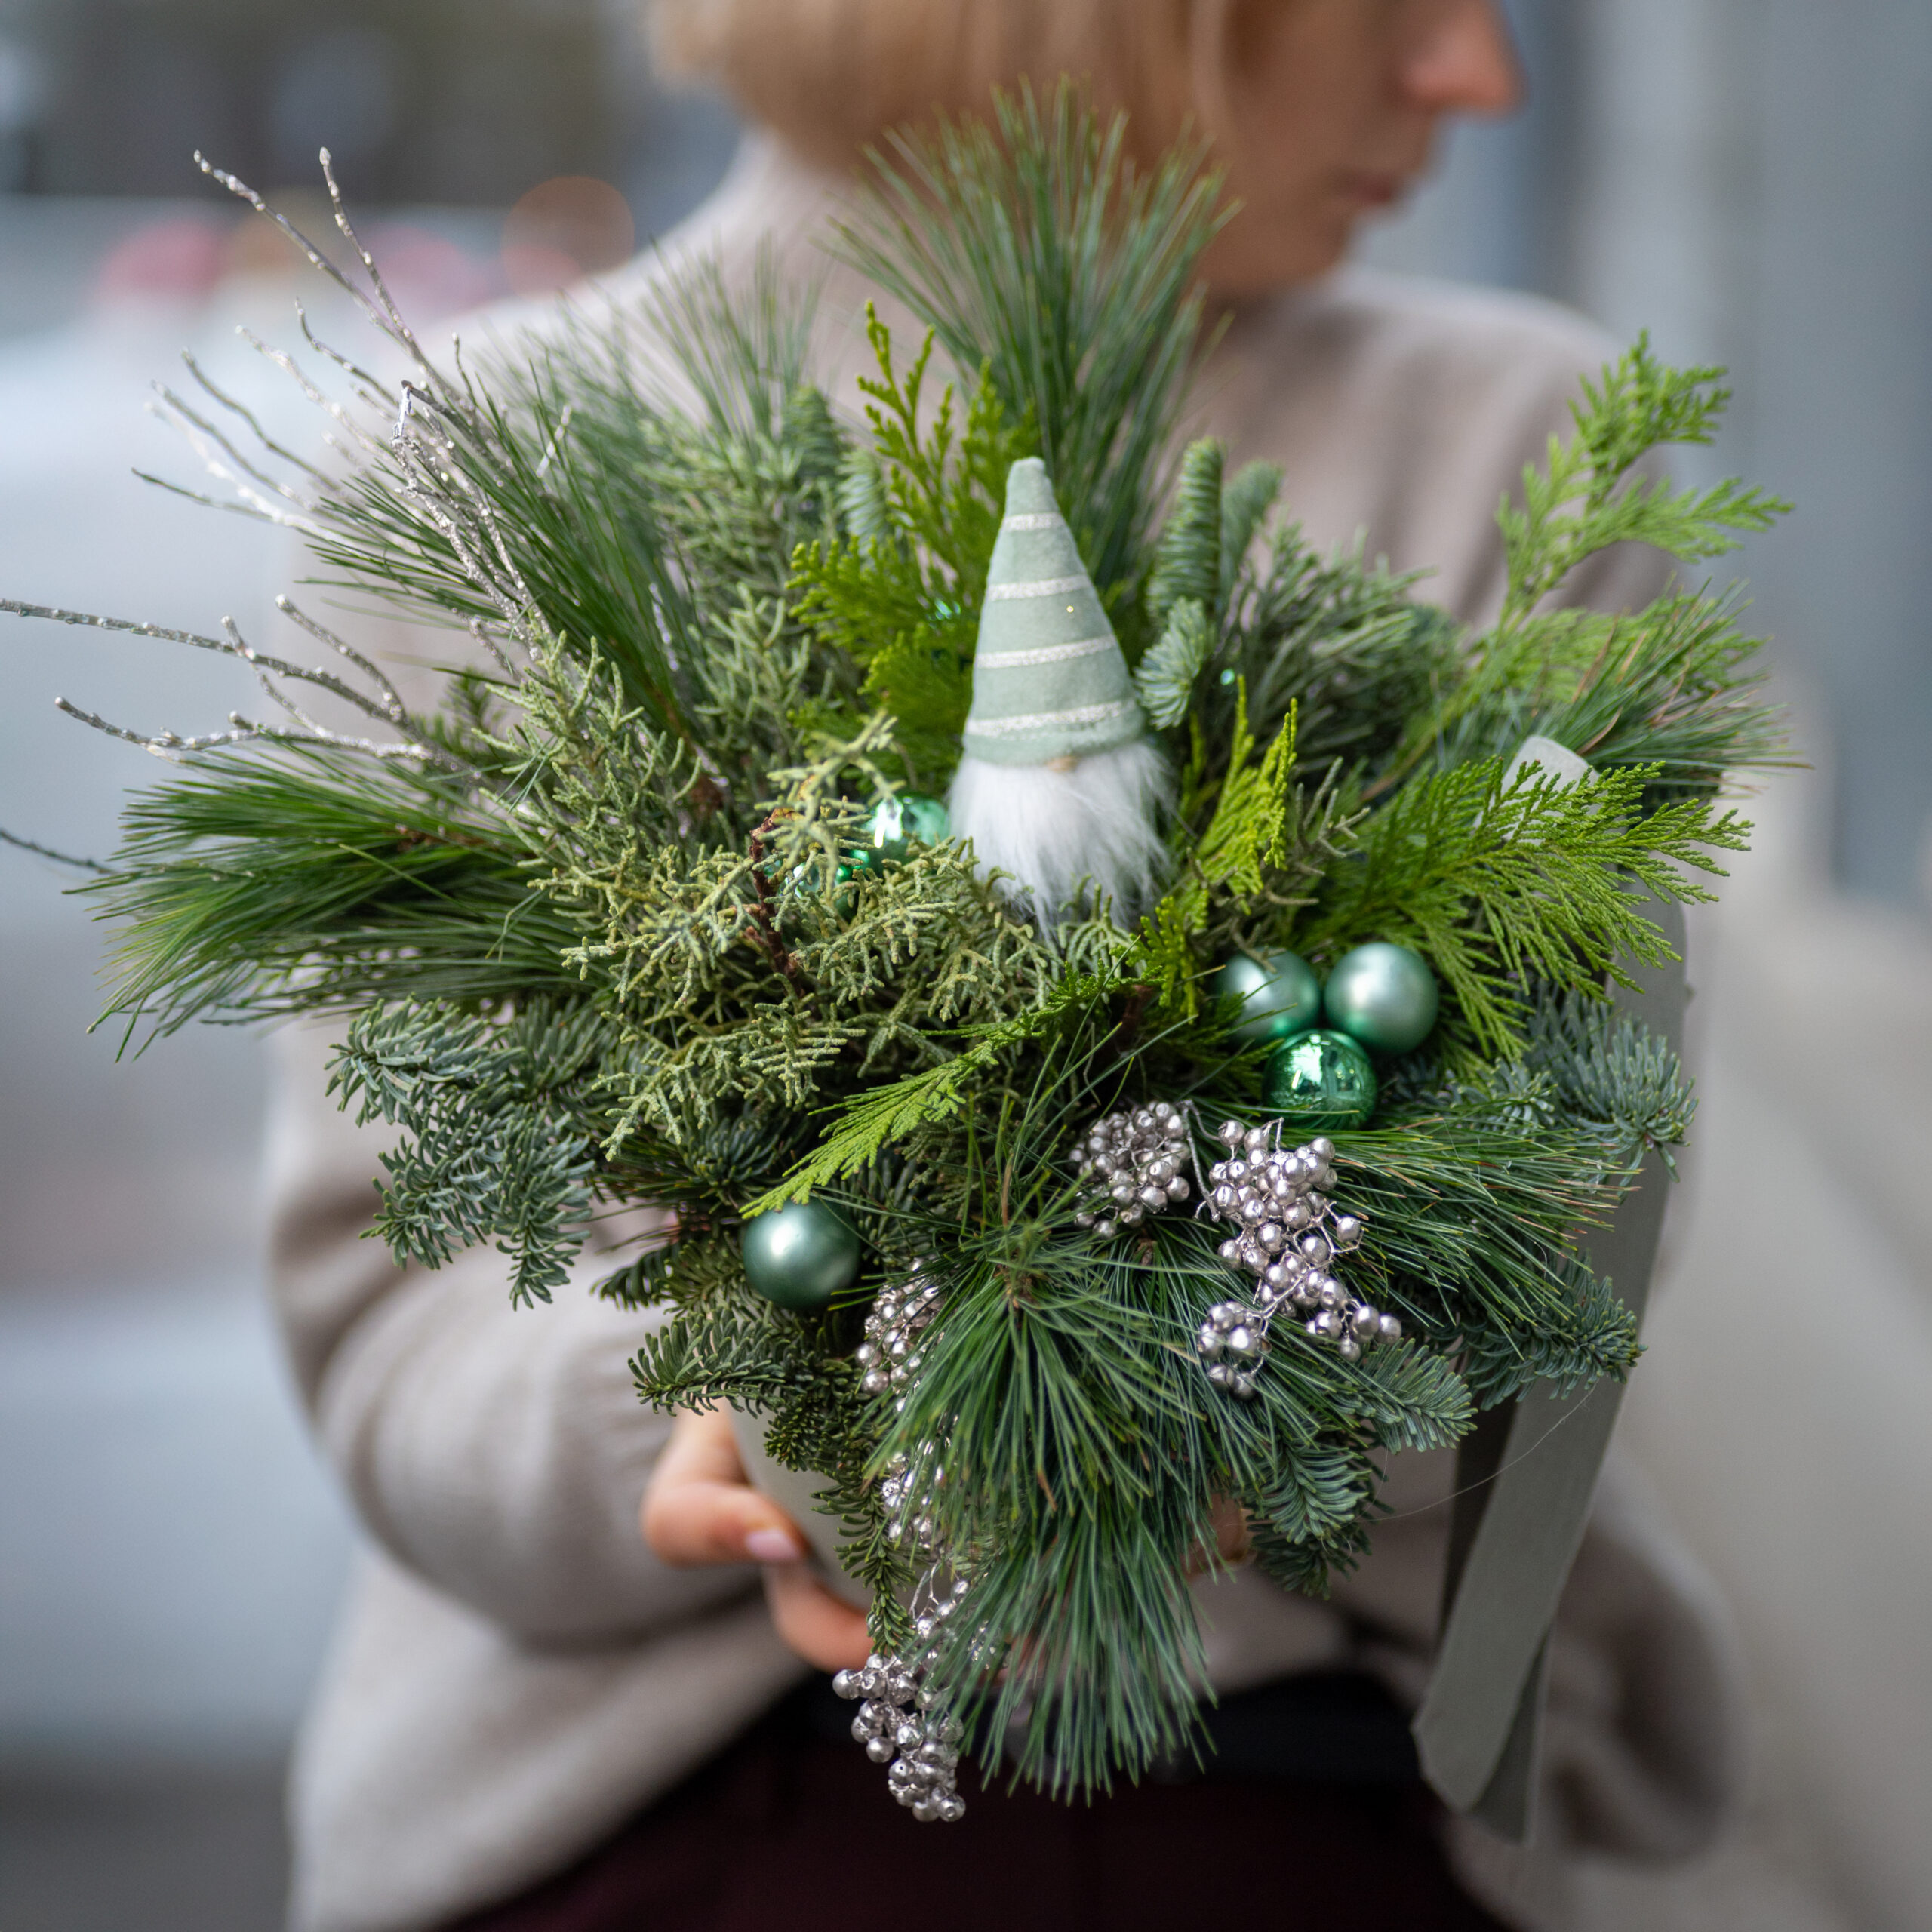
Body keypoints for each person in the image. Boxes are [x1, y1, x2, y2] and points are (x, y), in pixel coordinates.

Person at [267, 5, 1740, 1929]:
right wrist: (733, 1414)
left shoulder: (1508, 450)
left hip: (1299, 1758)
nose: (1476, 75)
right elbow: (407, 1325)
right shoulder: (475, 469)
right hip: (643, 1780)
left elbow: (1559, 1225)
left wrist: (1179, 1398)